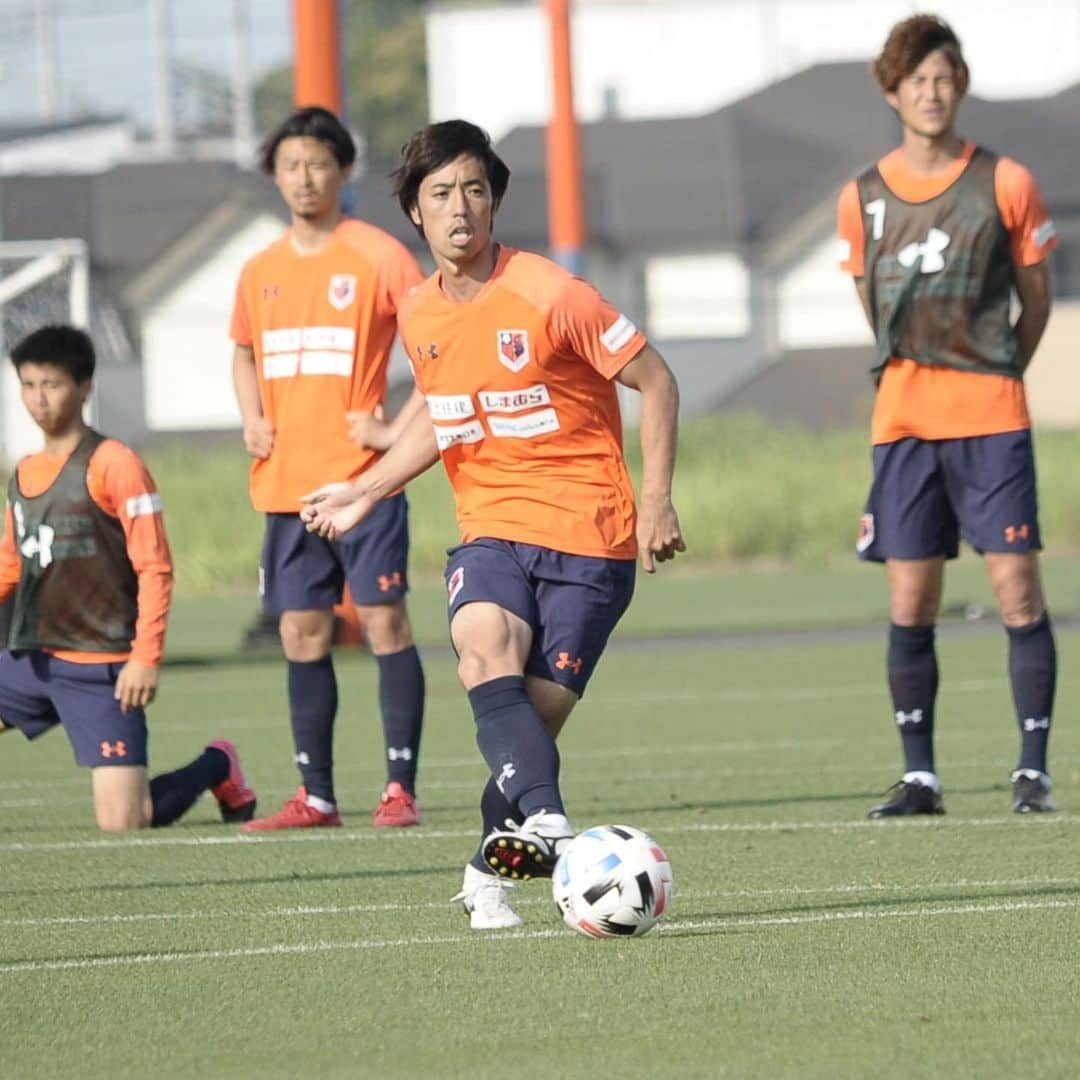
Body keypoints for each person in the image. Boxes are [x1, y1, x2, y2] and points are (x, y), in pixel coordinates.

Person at [302, 119, 685, 928]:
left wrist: (655, 501)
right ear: (415, 210)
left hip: (589, 536)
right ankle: (551, 827)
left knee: (527, 731)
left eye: (475, 189)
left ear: (496, 200)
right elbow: (445, 420)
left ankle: (487, 867)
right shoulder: (419, 313)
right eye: (441, 193)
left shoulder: (553, 293)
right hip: (492, 528)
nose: (460, 208)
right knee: (483, 653)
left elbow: (657, 380)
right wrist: (365, 489)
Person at [837, 15, 1058, 818]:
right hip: (903, 422)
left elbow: (1034, 302)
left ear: (959, 86)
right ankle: (921, 776)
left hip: (992, 415)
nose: (932, 93)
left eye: (944, 77)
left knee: (1016, 591)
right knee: (910, 602)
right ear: (892, 91)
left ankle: (1031, 770)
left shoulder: (1006, 181)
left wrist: (996, 371)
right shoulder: (861, 195)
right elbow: (873, 304)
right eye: (917, 80)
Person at [230, 106, 428, 831]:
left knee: (384, 623)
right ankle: (316, 798)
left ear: (343, 172)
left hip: (362, 481)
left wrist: (392, 431)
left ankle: (399, 789)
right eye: (290, 165)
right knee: (301, 635)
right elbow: (244, 351)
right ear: (274, 176)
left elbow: (438, 348)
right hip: (288, 485)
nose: (304, 177)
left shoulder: (378, 255)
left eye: (318, 163)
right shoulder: (259, 269)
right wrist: (252, 416)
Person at [0, 325, 256, 830]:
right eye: (28, 385)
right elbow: (11, 566)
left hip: (103, 667)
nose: (38, 399)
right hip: (34, 660)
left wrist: (144, 658)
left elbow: (155, 568)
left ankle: (218, 765)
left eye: (51, 384)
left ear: (85, 386)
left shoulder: (116, 465)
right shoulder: (23, 472)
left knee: (125, 820)